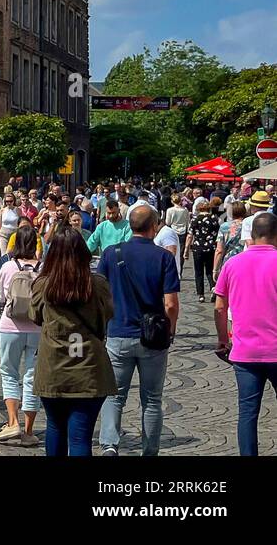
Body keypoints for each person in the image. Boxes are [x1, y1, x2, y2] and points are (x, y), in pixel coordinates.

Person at [97, 204, 180, 457]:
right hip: (153, 337)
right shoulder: (164, 257)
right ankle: (150, 451)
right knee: (152, 399)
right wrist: (170, 331)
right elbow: (171, 304)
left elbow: (100, 294)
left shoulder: (111, 253)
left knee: (114, 395)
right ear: (154, 226)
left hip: (118, 332)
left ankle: (109, 445)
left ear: (130, 225)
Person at [29, 226, 116, 456]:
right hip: (89, 367)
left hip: (53, 366)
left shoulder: (43, 285)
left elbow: (35, 316)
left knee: (55, 426)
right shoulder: (97, 284)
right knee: (80, 436)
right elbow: (106, 316)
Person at [213, 212, 277, 456]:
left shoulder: (233, 263)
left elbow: (220, 307)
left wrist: (223, 339)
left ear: (252, 234)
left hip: (244, 351)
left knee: (247, 413)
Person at [0, 223, 42, 445]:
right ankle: (29, 431)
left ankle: (13, 422)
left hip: (10, 326)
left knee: (9, 373)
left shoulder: (7, 267)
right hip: (37, 327)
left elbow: (3, 297)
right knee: (33, 377)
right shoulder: (44, 267)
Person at [189, 196, 222, 301]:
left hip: (198, 247)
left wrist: (186, 249)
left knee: (198, 271)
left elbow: (190, 235)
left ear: (199, 209)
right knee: (210, 270)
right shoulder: (214, 219)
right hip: (211, 247)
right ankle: (213, 287)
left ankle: (201, 295)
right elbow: (218, 234)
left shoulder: (195, 219)